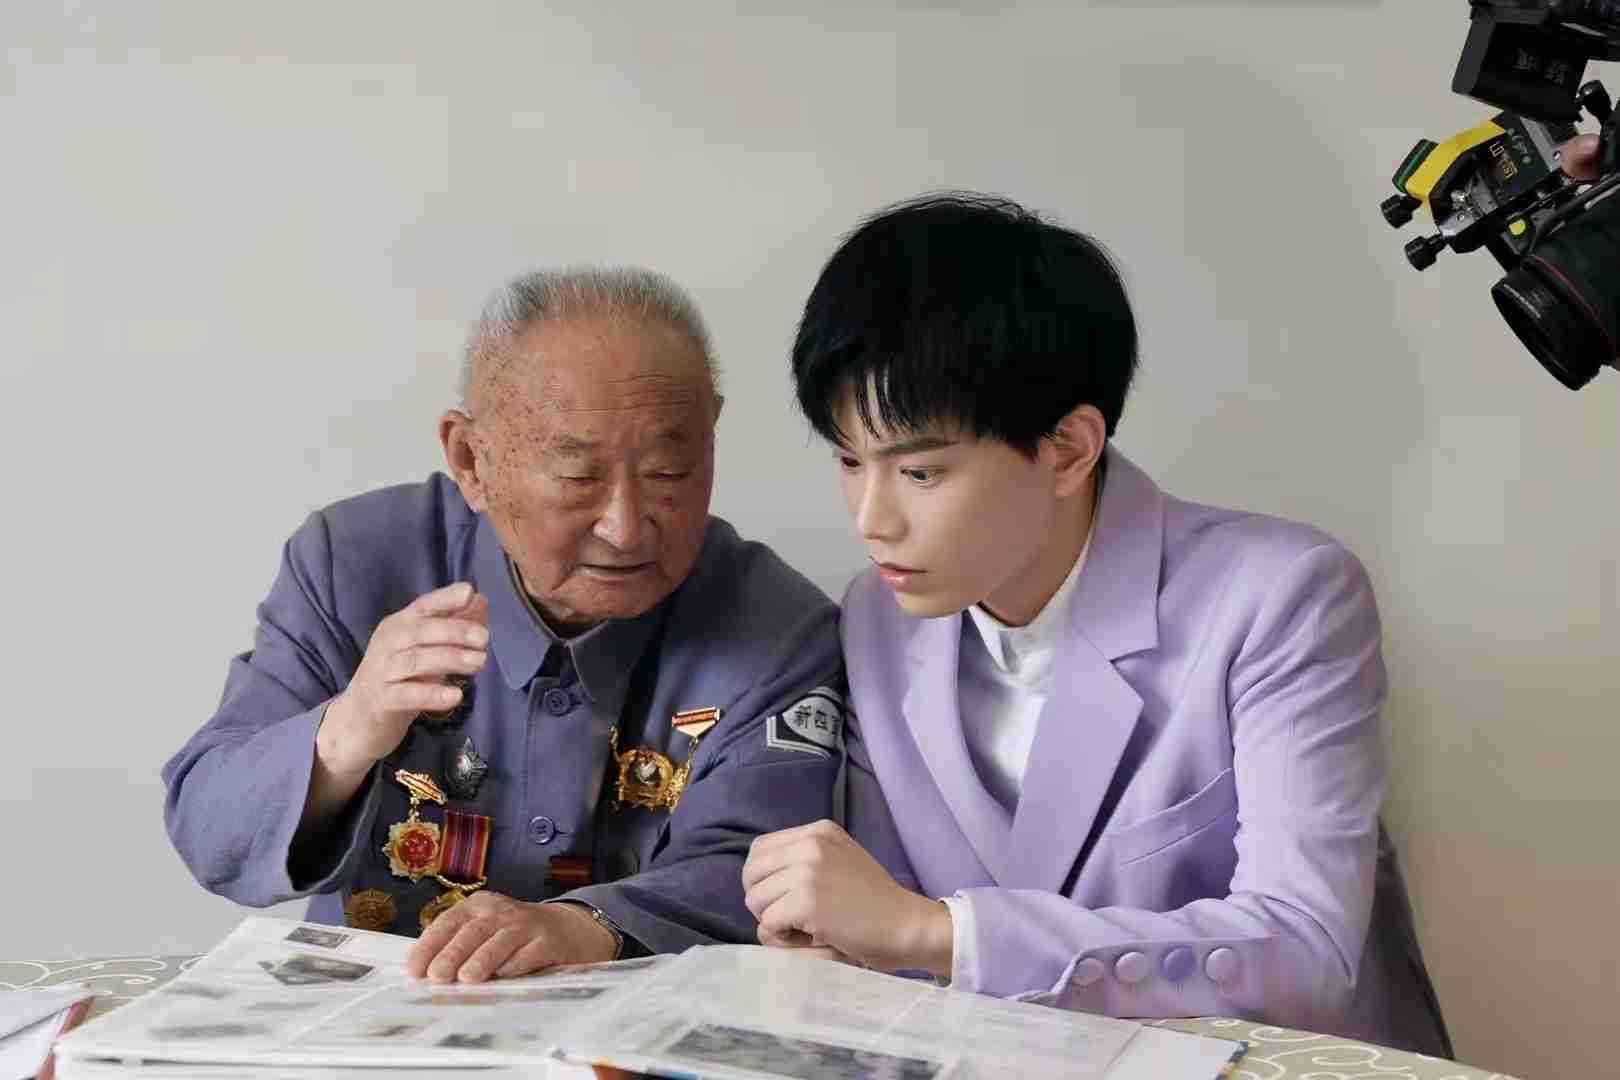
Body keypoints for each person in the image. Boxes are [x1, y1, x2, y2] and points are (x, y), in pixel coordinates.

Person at [740, 194, 1453, 1055]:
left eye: (920, 473)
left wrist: (936, 933)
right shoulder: (875, 616)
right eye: (850, 462)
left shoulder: (1283, 597)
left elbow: (1305, 949)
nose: (871, 520)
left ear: (1070, 449)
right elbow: (886, 932)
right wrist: (840, 949)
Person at [163, 267, 852, 983]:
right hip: (379, 1021)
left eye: (669, 474)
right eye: (579, 478)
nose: (625, 527)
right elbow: (210, 831)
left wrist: (584, 926)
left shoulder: (779, 629)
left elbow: (767, 870)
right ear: (471, 460)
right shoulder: (356, 565)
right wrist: (346, 731)